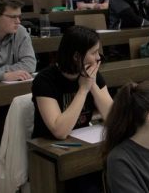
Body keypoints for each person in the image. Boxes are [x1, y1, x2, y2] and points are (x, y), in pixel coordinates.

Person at [32, 25, 113, 192]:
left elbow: (113, 117)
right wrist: (83, 89)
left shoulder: (92, 75)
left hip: (84, 145)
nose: (99, 58)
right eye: (93, 53)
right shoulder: (45, 80)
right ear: (77, 56)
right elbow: (59, 131)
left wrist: (92, 86)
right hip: (52, 151)